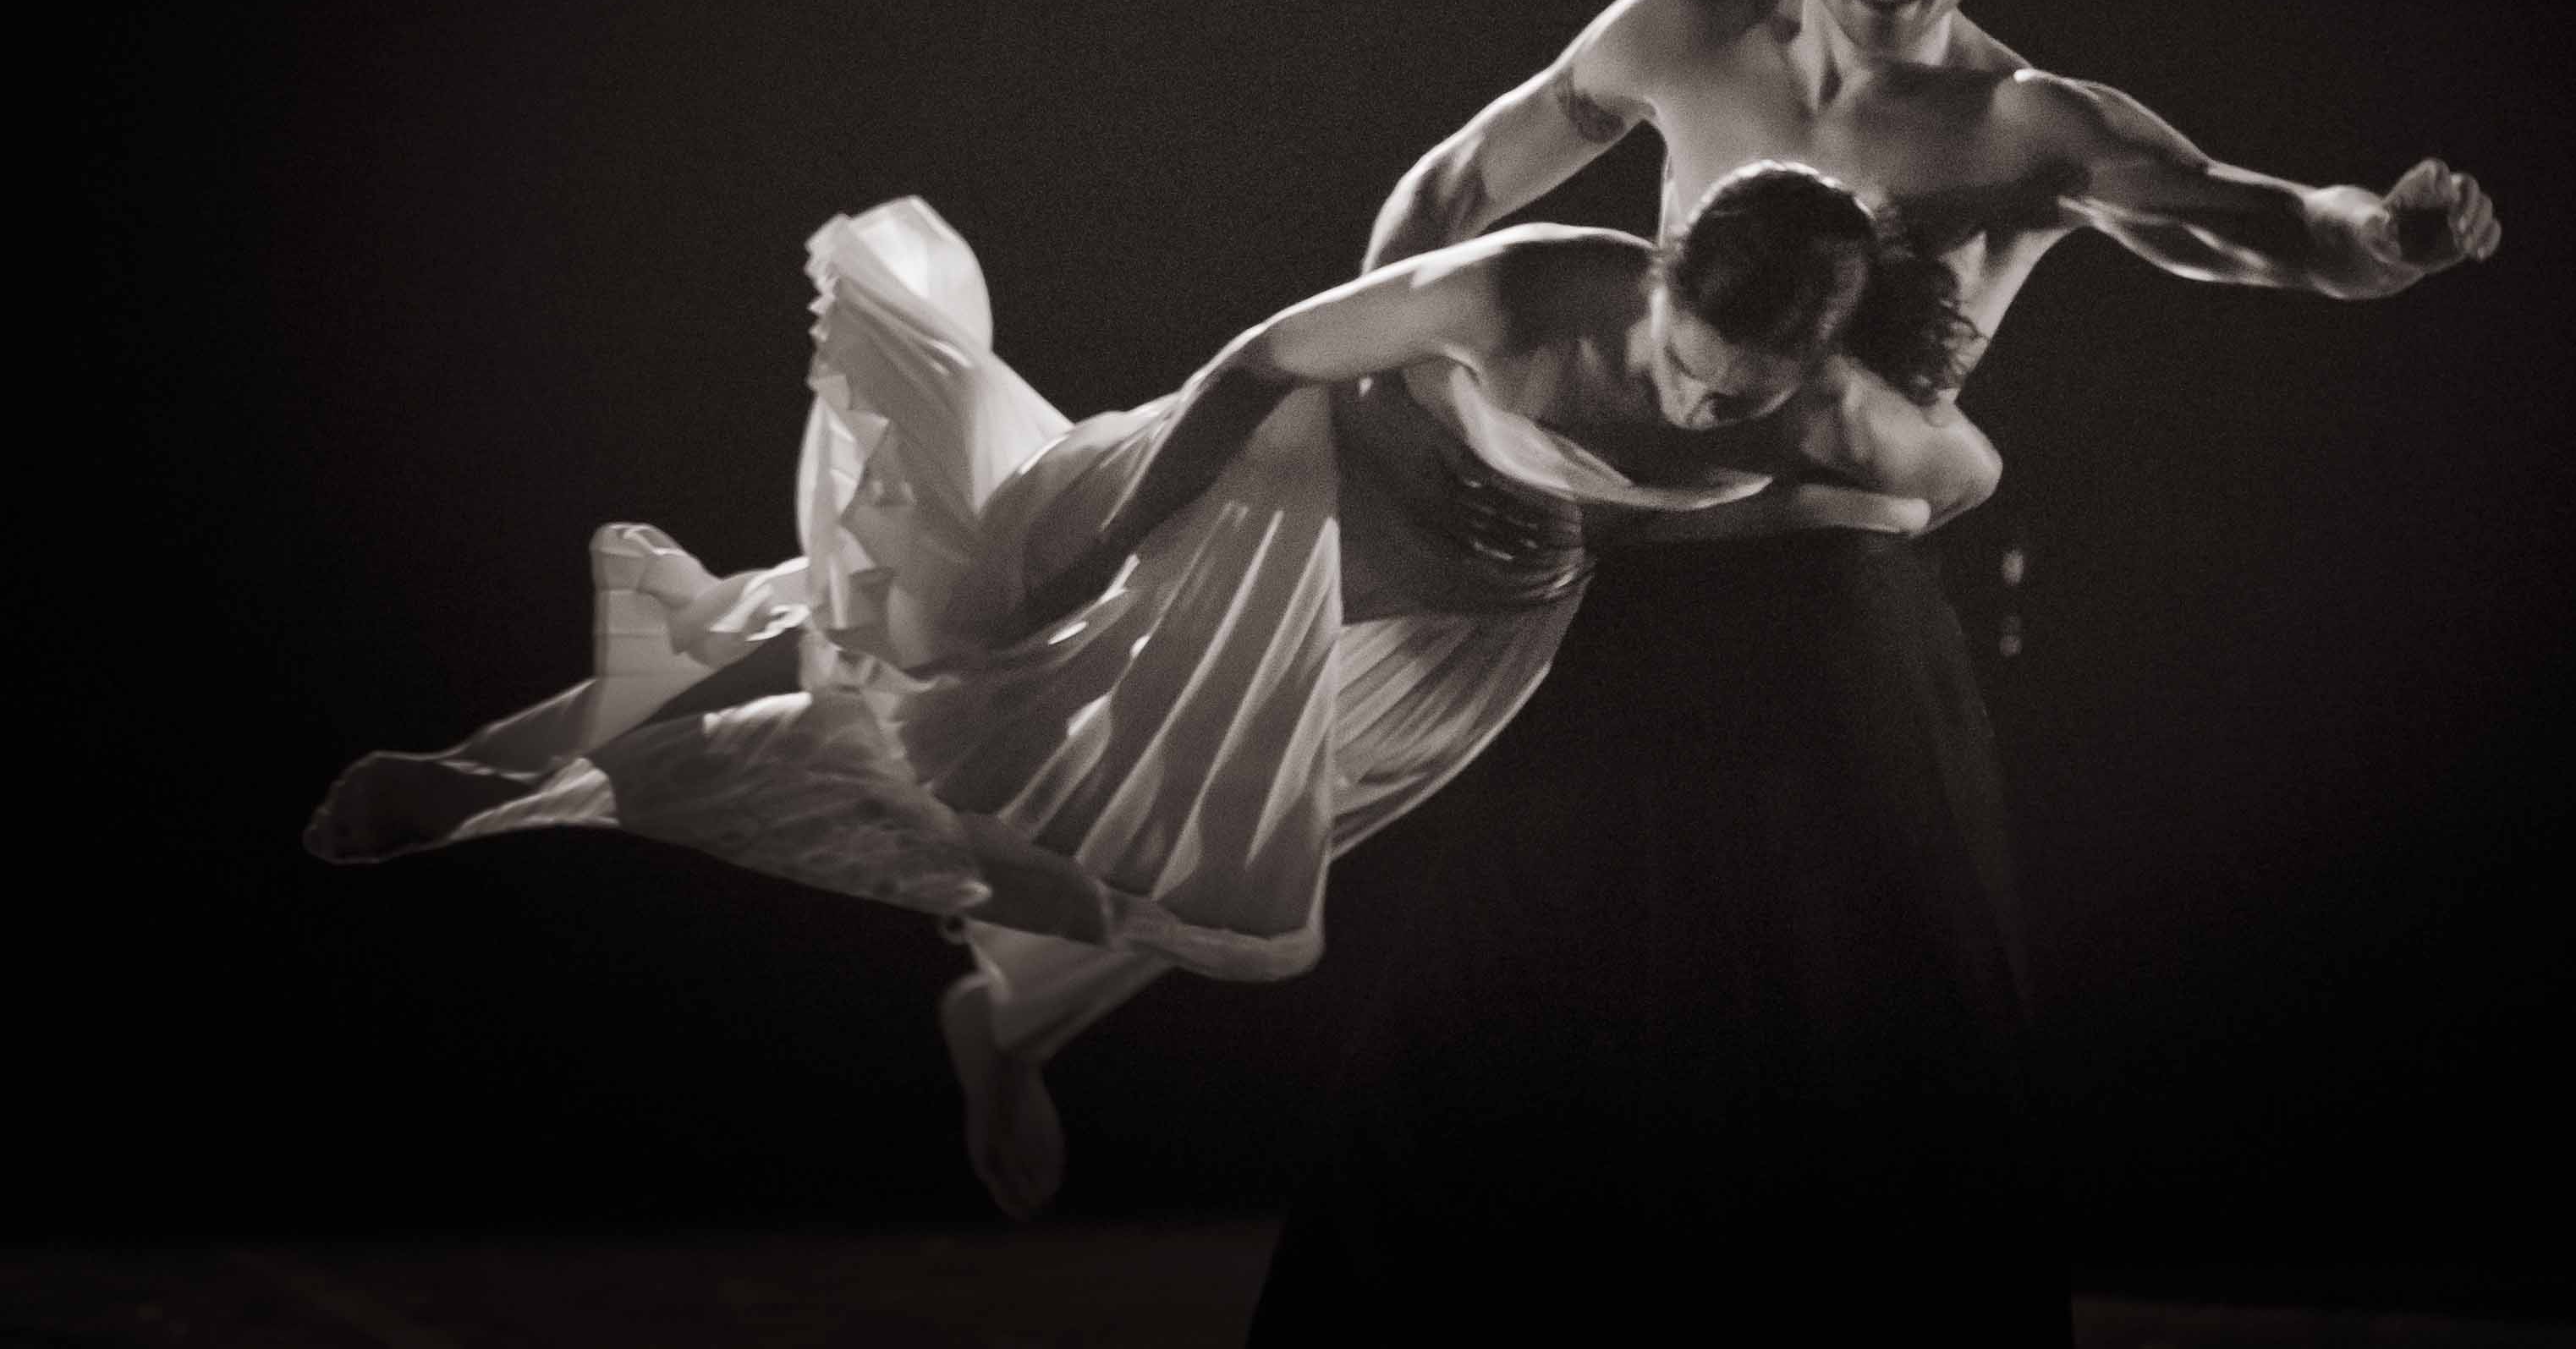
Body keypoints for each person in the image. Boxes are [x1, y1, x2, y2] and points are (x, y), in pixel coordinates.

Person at [1249, 0, 2501, 1339]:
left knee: (1887, 1062)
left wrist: (2384, 231)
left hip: (1839, 624)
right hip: (1621, 605)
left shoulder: (2029, 125)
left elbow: (2264, 233)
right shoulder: (1683, 29)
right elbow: (1446, 195)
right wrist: (1419, 422)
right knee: (1496, 1029)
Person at [307, 162, 1984, 1218]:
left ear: (1812, 371)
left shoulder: (1836, 413)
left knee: (1206, 855)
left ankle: (1001, 1023)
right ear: (1662, 266)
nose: (1697, 406)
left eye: (1739, 396)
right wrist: (1105, 548)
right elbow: (1259, 360)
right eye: (1684, 363)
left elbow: (1947, 479)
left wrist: (1746, 497)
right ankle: (504, 776)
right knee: (918, 646)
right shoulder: (1525, 284)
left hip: (1452, 633)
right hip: (1252, 511)